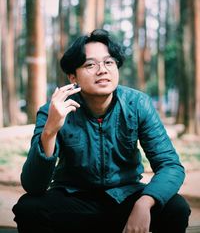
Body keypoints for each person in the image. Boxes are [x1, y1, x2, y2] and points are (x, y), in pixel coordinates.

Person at [13, 29, 191, 233]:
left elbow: (170, 165)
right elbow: (33, 186)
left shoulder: (137, 104)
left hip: (126, 197)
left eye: (109, 62)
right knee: (29, 209)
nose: (102, 70)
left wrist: (145, 202)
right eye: (90, 64)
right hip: (75, 200)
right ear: (73, 77)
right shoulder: (53, 110)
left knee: (176, 208)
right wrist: (49, 131)